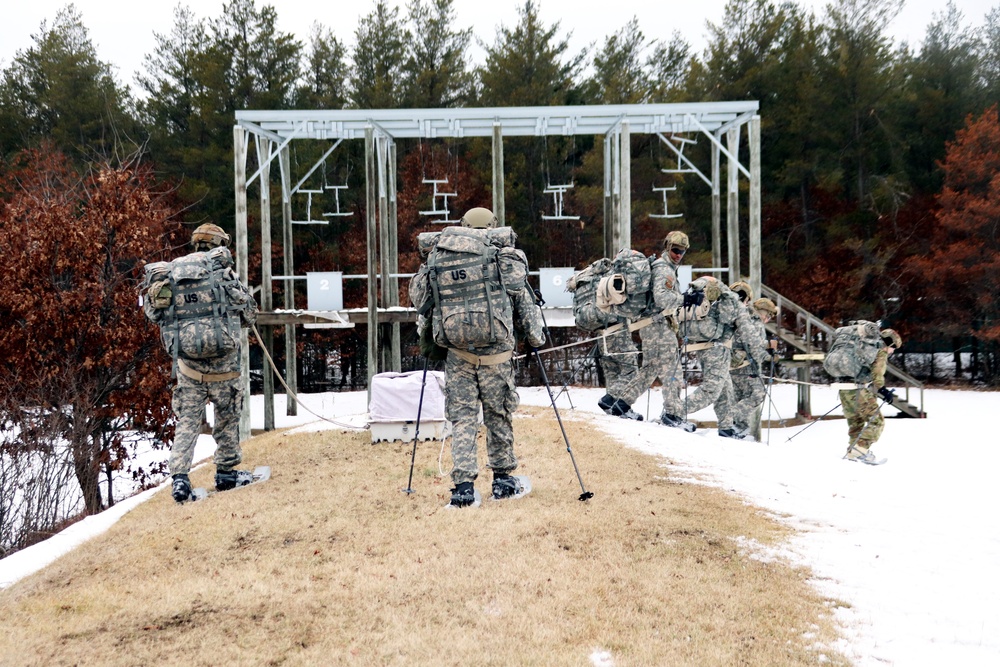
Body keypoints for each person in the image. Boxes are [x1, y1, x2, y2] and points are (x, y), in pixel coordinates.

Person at [409, 207, 546, 507]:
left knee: (463, 420)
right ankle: (503, 482)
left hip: (458, 355)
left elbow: (421, 302)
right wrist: (536, 338)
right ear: (493, 227)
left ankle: (463, 490)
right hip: (497, 355)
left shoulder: (438, 259)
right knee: (498, 414)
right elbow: (523, 300)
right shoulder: (501, 257)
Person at [142, 223, 259, 503]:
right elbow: (249, 314)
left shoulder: (169, 273)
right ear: (220, 245)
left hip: (188, 369)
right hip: (225, 367)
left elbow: (154, 314)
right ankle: (227, 473)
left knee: (187, 422)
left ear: (195, 244)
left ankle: (180, 479)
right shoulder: (223, 274)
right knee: (228, 417)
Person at [601, 231, 687, 426]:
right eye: (675, 250)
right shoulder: (664, 269)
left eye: (682, 251)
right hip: (658, 327)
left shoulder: (665, 267)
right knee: (673, 369)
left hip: (652, 325)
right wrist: (685, 299)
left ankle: (621, 404)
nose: (678, 255)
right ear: (667, 247)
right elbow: (662, 298)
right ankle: (672, 415)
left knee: (649, 370)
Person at [673, 276, 765, 431]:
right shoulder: (737, 306)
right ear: (747, 299)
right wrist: (759, 358)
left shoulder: (717, 302)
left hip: (703, 348)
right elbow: (750, 337)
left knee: (725, 392)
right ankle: (674, 413)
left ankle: (726, 427)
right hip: (718, 351)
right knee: (710, 391)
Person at [715, 294, 778, 440]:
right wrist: (769, 357)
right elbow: (753, 346)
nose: (767, 319)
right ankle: (729, 419)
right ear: (762, 312)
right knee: (757, 394)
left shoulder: (741, 316)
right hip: (747, 366)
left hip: (733, 364)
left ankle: (738, 428)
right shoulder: (755, 322)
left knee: (740, 397)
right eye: (768, 315)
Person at [839, 328, 902, 464]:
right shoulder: (879, 351)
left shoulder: (860, 346)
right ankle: (860, 450)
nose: (893, 352)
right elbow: (877, 374)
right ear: (890, 344)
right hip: (858, 390)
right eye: (894, 348)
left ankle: (853, 452)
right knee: (877, 421)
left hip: (843, 388)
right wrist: (883, 390)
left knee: (856, 422)